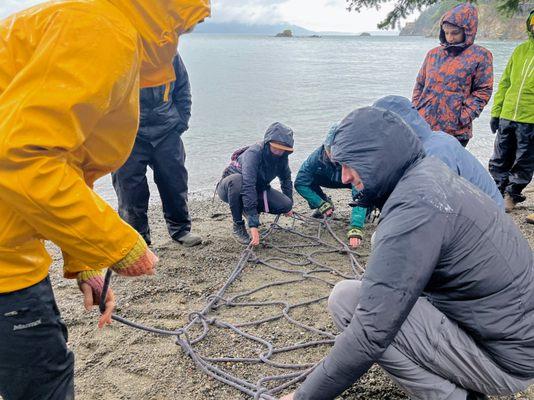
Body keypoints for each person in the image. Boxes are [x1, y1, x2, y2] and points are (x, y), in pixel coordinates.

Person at [0, 0, 210, 399]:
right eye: (185, 24)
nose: (185, 34)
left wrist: (87, 260)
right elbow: (23, 156)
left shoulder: (96, 25)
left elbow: (65, 160)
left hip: (12, 241)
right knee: (44, 380)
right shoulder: (102, 30)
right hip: (6, 263)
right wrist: (120, 244)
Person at [280, 107, 534, 400]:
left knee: (348, 301)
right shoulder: (429, 174)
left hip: (506, 361)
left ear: (376, 156)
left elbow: (370, 332)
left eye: (349, 165)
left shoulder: (415, 209)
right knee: (374, 304)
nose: (345, 177)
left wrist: (303, 397)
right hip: (515, 339)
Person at [112, 54, 202, 247]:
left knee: (175, 182)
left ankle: (181, 230)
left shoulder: (169, 53)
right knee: (130, 190)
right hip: (127, 133)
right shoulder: (115, 53)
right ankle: (138, 240)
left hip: (167, 129)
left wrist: (181, 122)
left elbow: (183, 89)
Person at [373, 95, 504, 210]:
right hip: (478, 208)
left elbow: (436, 204)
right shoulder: (432, 139)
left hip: (487, 217)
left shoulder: (434, 154)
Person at [412, 3, 493, 147]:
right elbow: (420, 84)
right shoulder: (433, 54)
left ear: (467, 30)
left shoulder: (481, 56)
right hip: (424, 125)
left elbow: (483, 91)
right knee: (421, 166)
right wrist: (417, 109)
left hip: (456, 130)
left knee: (448, 168)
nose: (450, 37)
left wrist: (463, 116)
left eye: (455, 33)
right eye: (446, 32)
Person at [217, 123, 294, 245]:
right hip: (230, 187)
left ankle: (249, 210)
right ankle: (238, 225)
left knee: (285, 204)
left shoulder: (282, 157)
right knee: (237, 181)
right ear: (268, 143)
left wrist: (289, 205)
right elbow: (248, 185)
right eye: (276, 147)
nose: (279, 152)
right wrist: (253, 226)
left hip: (259, 188)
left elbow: (286, 180)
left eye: (283, 149)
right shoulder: (254, 153)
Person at [488, 10, 534, 214]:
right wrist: (496, 111)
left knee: (524, 159)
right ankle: (496, 190)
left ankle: (512, 194)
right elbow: (505, 83)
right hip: (508, 114)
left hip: (530, 117)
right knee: (500, 156)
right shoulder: (520, 50)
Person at [295, 123, 367, 248]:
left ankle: (368, 209)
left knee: (365, 193)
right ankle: (325, 203)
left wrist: (356, 227)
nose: (334, 157)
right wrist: (320, 203)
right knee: (308, 180)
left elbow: (360, 192)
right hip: (329, 179)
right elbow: (300, 182)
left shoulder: (355, 159)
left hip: (351, 181)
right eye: (330, 151)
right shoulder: (315, 158)